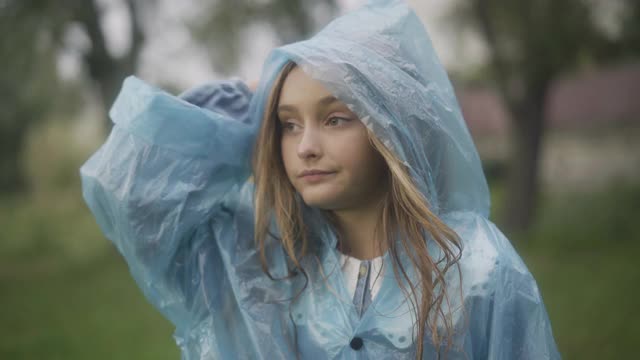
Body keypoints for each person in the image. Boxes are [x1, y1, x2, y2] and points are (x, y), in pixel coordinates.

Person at [80, 0, 560, 358]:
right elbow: (127, 190)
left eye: (335, 119)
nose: (305, 146)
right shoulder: (265, 262)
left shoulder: (475, 266)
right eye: (288, 124)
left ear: (390, 128)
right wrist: (245, 99)